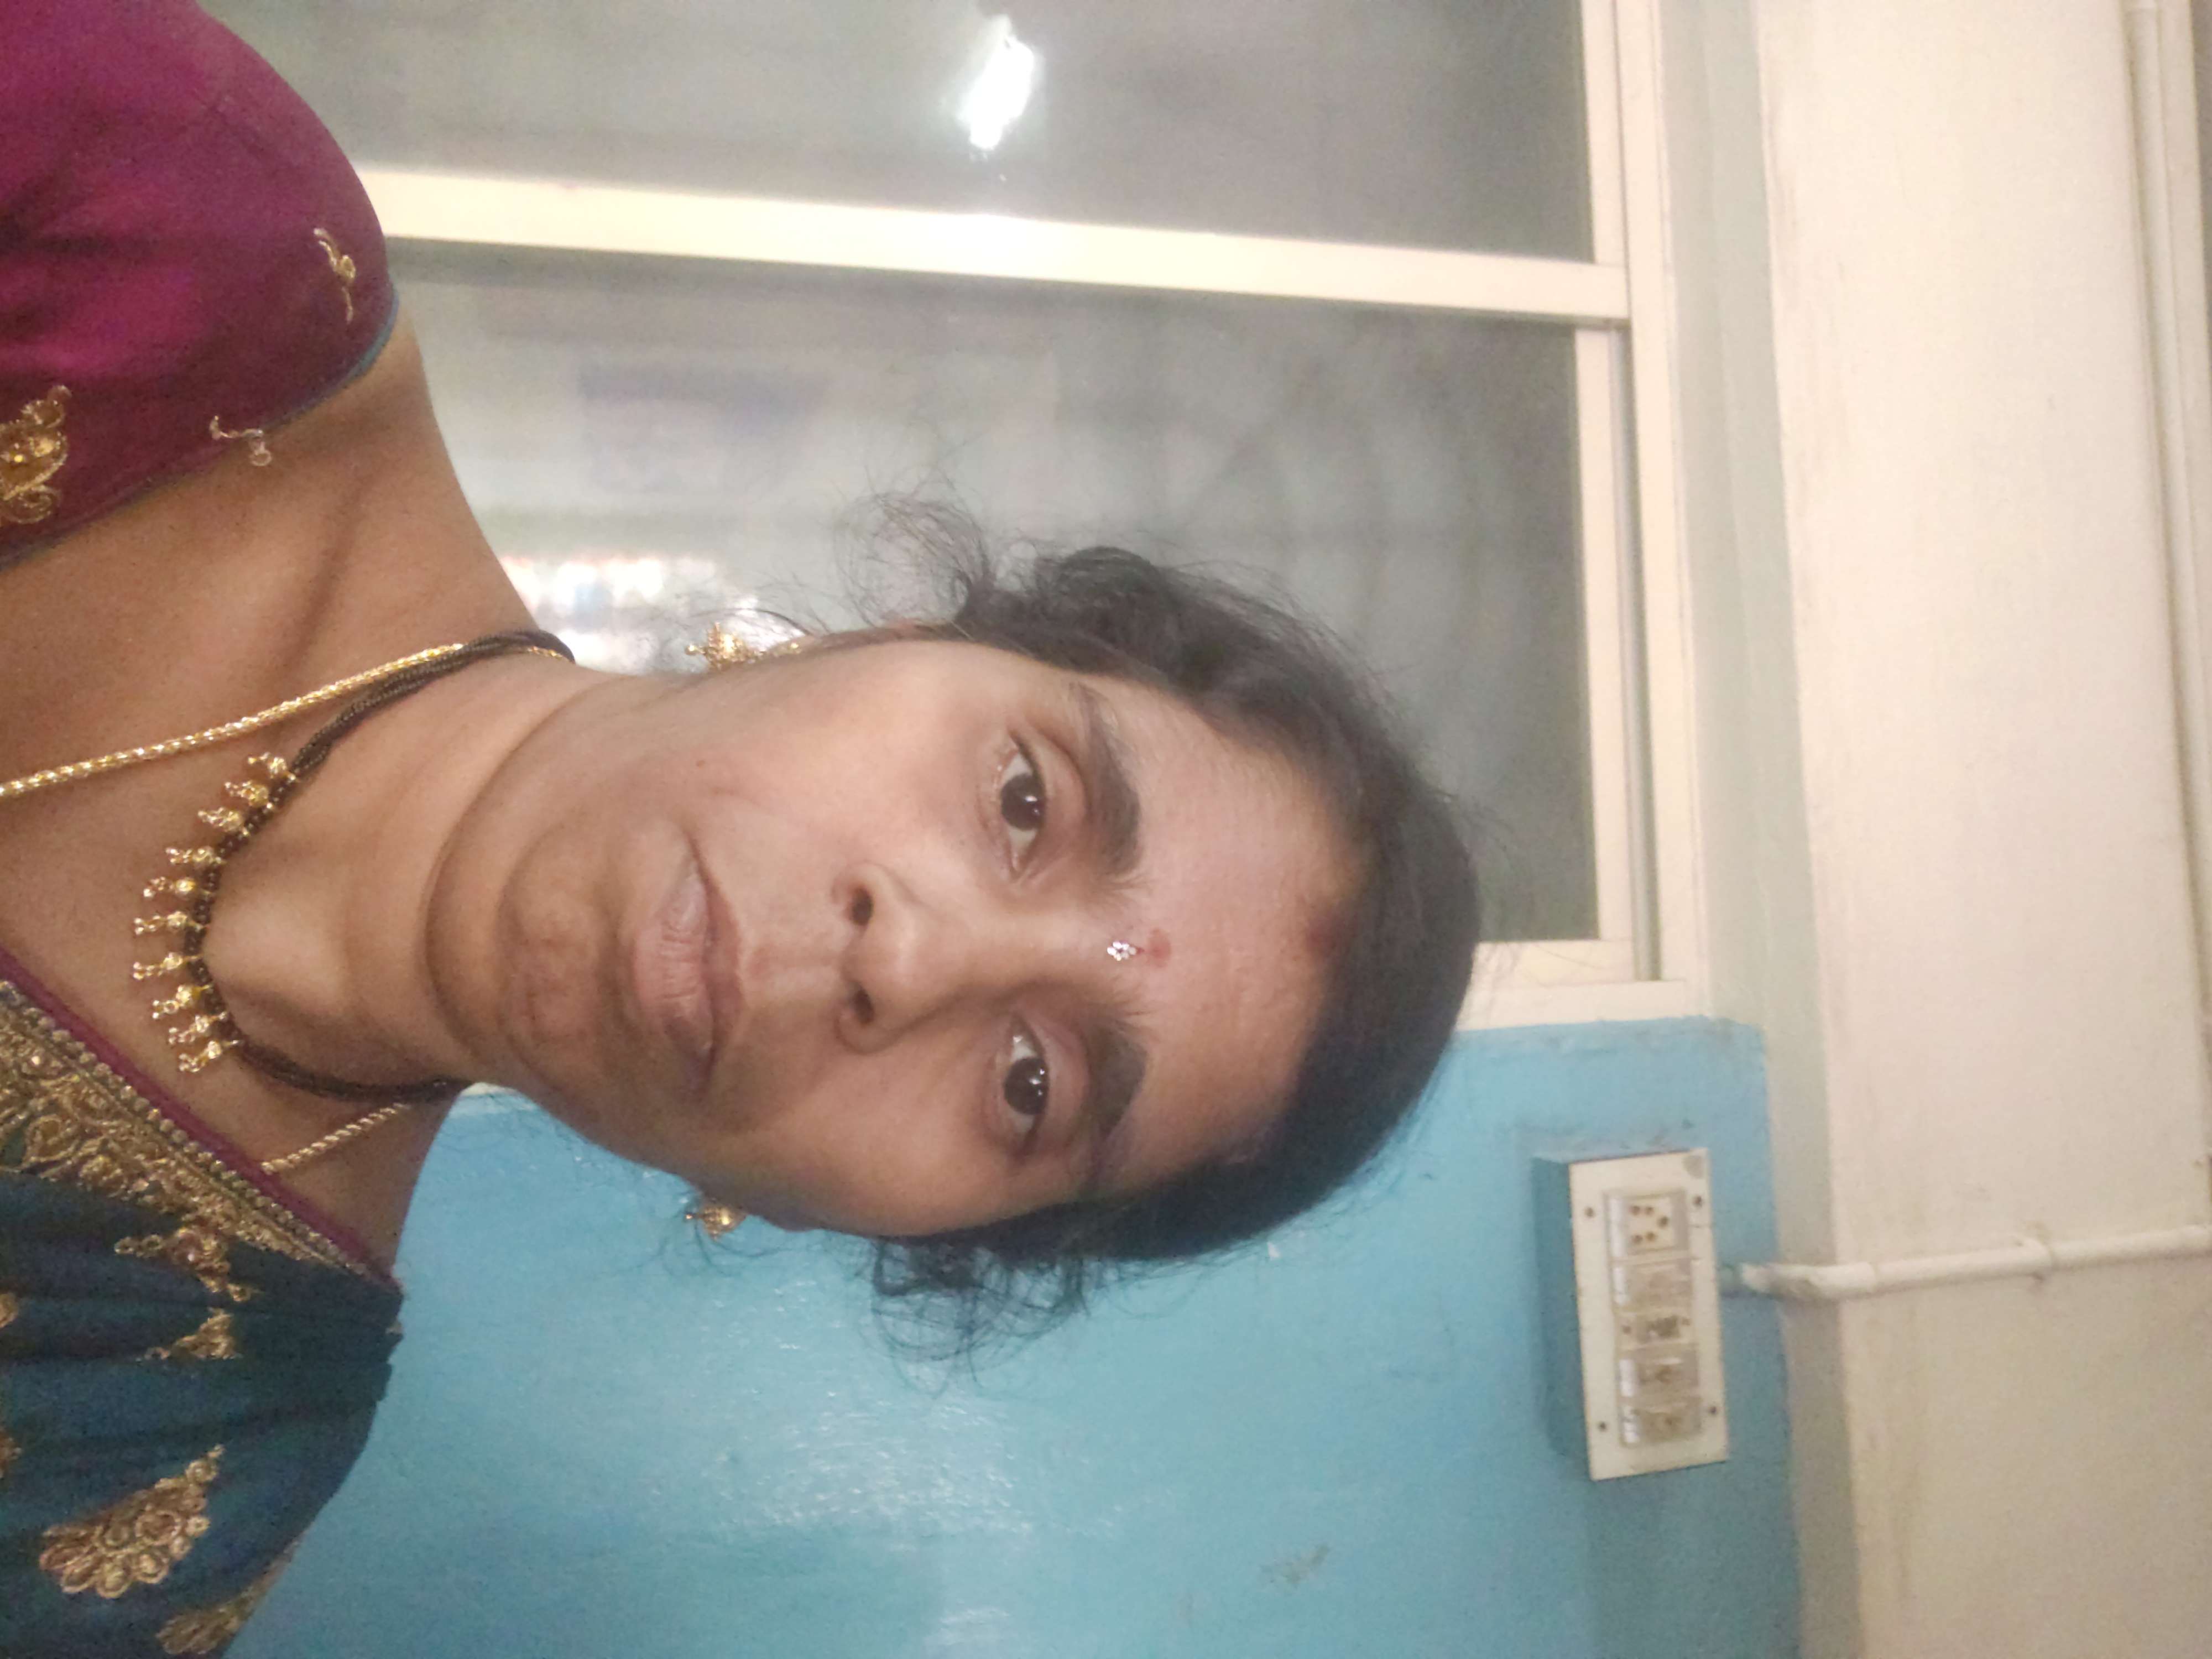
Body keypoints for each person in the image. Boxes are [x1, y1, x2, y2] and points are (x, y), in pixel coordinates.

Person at [0, 2, 1478, 1652]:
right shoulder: (162, 232)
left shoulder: (167, 1428)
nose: (913, 960)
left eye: (1031, 1085)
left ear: (841, 1222)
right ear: (887, 638)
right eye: (1025, 800)